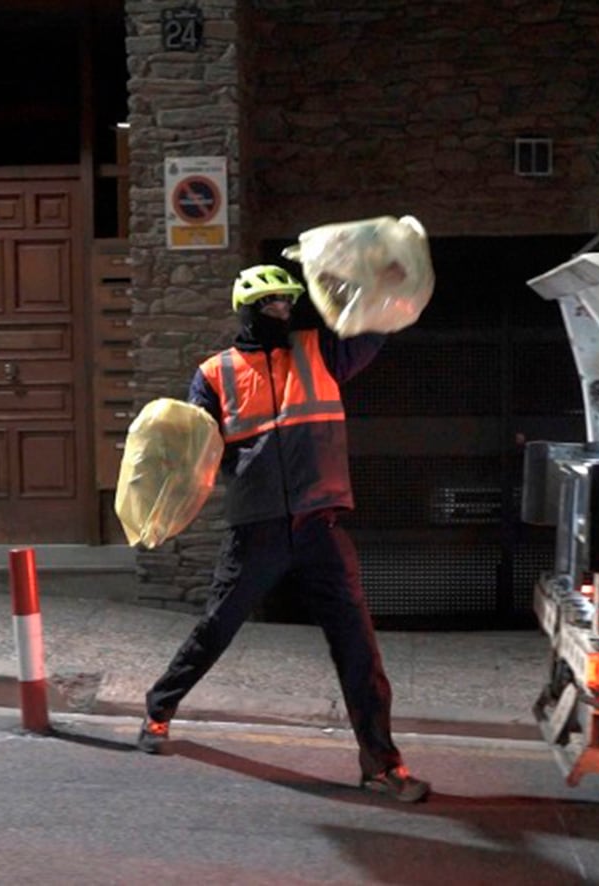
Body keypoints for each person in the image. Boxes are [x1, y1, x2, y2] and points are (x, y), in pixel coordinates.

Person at [137, 263, 430, 803]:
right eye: (269, 304)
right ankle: (159, 709)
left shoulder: (320, 352)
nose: (281, 312)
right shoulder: (214, 373)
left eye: (286, 303)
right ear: (246, 309)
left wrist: (386, 283)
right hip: (259, 527)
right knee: (216, 628)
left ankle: (382, 763)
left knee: (357, 645)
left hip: (321, 521)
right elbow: (198, 452)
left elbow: (375, 330)